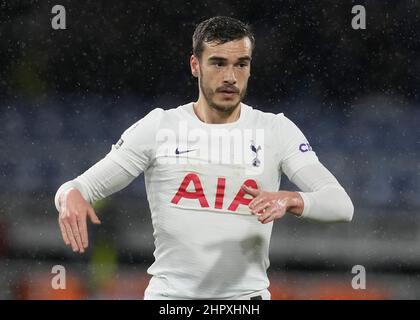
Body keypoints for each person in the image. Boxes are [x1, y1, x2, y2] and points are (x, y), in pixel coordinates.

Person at [54, 16, 354, 300]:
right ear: (195, 65)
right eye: (218, 63)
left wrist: (292, 199)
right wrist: (70, 195)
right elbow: (76, 188)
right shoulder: (160, 127)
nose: (230, 77)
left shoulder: (275, 130)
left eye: (241, 64)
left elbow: (341, 205)